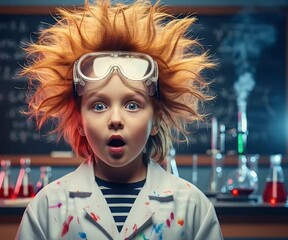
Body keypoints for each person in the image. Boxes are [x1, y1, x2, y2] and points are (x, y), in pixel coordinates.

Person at [16, 0, 223, 239]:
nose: (115, 119)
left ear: (155, 120)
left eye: (132, 105)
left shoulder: (192, 207)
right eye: (99, 105)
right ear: (79, 120)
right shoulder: (47, 207)